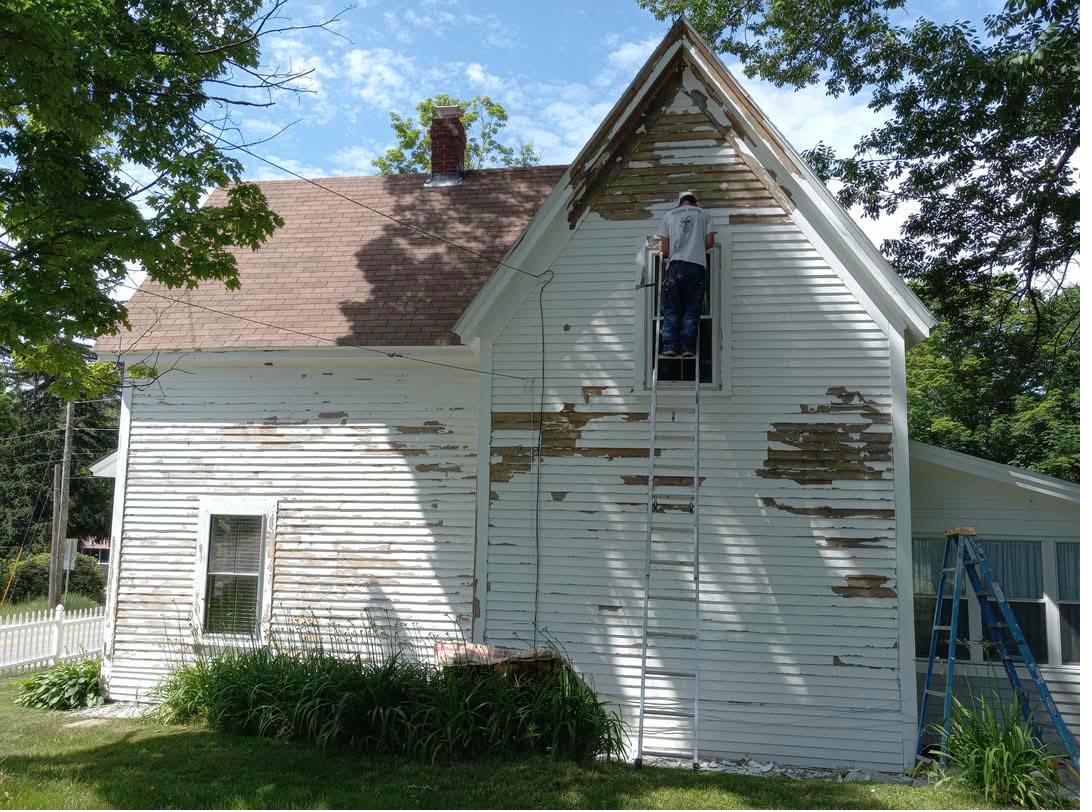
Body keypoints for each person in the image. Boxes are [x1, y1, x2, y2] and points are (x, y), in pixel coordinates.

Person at [656, 191, 716, 359]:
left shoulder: (669, 215)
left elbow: (665, 251)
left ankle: (669, 346)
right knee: (692, 309)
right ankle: (687, 347)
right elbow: (711, 243)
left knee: (672, 309)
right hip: (697, 266)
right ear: (694, 203)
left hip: (675, 267)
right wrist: (696, 249)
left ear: (679, 203)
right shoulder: (704, 214)